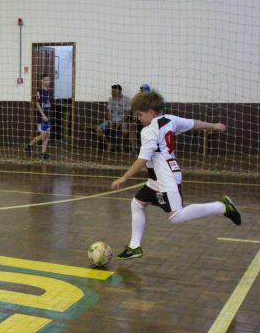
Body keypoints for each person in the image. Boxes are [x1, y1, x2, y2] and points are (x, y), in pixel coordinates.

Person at [110, 90, 241, 260]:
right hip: (156, 179)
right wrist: (213, 125)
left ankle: (222, 206)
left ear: (151, 112)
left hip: (166, 178)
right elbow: (193, 123)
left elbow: (143, 159)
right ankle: (134, 246)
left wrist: (124, 177)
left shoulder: (148, 131)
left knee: (176, 217)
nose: (139, 118)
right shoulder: (170, 119)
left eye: (140, 114)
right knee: (137, 204)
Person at [24, 74, 54, 160]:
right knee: (43, 135)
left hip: (48, 116)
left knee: (47, 135)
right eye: (44, 80)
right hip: (42, 116)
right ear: (41, 81)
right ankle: (29, 145)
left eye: (48, 80)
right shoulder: (39, 91)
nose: (46, 81)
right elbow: (37, 104)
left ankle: (43, 153)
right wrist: (43, 115)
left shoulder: (48, 91)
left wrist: (48, 115)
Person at [95, 84, 131, 151]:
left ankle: (121, 145)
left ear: (119, 91)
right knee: (98, 128)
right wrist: (110, 121)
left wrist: (120, 122)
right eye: (112, 91)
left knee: (125, 131)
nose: (111, 93)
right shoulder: (111, 99)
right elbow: (108, 112)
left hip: (123, 120)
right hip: (112, 120)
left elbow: (128, 113)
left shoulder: (127, 99)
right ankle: (109, 144)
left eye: (113, 91)